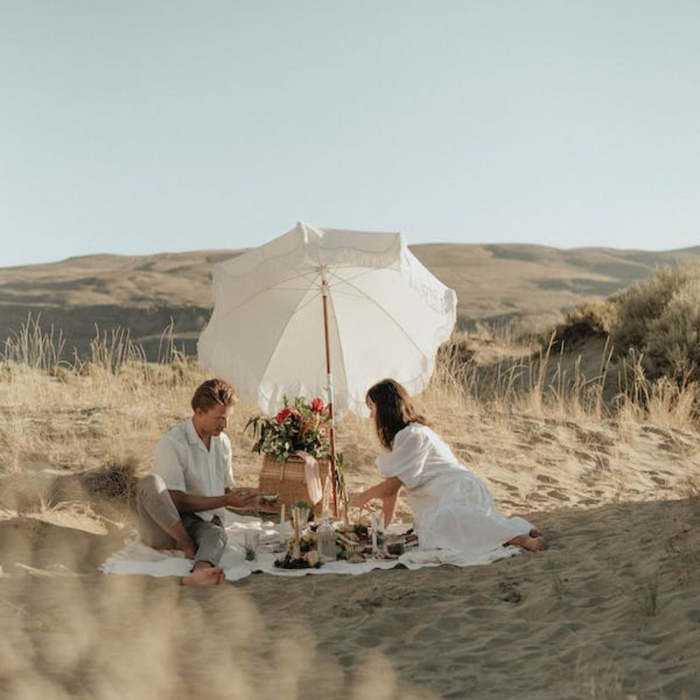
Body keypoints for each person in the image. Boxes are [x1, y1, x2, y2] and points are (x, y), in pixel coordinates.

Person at [351, 379, 543, 564]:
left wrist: (363, 497)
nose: (371, 416)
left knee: (449, 524)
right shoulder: (399, 441)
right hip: (444, 495)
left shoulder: (413, 435)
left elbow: (390, 488)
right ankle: (518, 531)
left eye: (372, 408)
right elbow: (391, 492)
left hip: (457, 490)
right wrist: (382, 531)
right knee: (440, 529)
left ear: (384, 408)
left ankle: (519, 538)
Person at [136, 378, 261, 585]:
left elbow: (225, 490)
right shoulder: (173, 443)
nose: (225, 425)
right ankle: (188, 546)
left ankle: (200, 572)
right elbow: (177, 502)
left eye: (227, 418)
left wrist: (251, 498)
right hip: (168, 526)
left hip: (201, 524)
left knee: (217, 535)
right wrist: (226, 500)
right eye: (219, 418)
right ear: (199, 412)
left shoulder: (222, 442)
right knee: (149, 483)